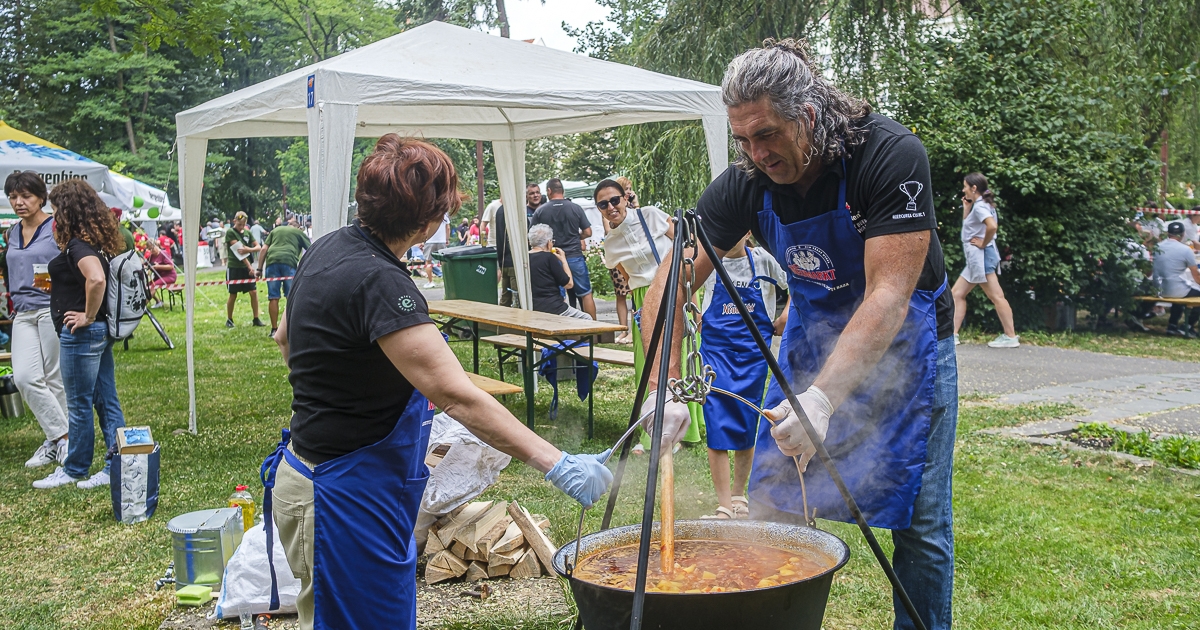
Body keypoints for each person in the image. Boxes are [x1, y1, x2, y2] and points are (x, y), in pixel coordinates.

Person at [639, 40, 957, 630]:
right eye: (744, 141)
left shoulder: (888, 156)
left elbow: (888, 295)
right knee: (774, 500)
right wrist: (661, 388)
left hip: (906, 346)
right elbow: (671, 280)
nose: (757, 154)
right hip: (812, 337)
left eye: (768, 135)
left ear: (807, 115)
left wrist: (821, 399)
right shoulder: (744, 185)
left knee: (922, 519)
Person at [262, 135, 612, 630]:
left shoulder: (328, 247)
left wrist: (335, 388)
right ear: (428, 222)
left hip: (319, 474)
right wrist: (556, 463)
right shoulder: (380, 281)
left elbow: (284, 338)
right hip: (343, 496)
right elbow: (454, 394)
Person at [33, 179, 128, 490]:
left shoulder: (78, 245)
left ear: (68, 210)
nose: (54, 216)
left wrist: (87, 315)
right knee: (106, 400)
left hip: (83, 334)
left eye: (57, 209)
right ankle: (118, 462)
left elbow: (96, 279)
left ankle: (74, 468)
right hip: (99, 332)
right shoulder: (96, 241)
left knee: (79, 403)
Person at [595, 178, 700, 452]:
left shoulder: (651, 215)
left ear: (625, 198)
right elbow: (628, 278)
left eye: (614, 200)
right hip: (644, 297)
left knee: (682, 357)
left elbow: (688, 249)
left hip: (673, 288)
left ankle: (688, 430)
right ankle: (652, 433)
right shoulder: (610, 243)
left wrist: (693, 296)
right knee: (647, 367)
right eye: (603, 204)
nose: (610, 207)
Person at [698, 234, 788, 519]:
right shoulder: (707, 260)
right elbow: (681, 283)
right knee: (717, 422)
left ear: (747, 232)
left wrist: (786, 315)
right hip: (716, 353)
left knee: (747, 421)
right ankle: (724, 503)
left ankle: (739, 496)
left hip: (753, 354)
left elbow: (798, 282)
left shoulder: (764, 260)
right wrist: (695, 313)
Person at [4, 171, 70, 469]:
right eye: (13, 196)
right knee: (25, 377)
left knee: (54, 378)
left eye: (26, 196)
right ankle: (61, 437)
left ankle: (61, 443)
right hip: (22, 311)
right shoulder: (11, 232)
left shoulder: (57, 227)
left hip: (52, 308)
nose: (19, 202)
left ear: (41, 198)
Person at [950, 173, 1018, 348]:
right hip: (976, 259)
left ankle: (1010, 336)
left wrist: (983, 243)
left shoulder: (980, 207)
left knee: (996, 296)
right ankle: (952, 335)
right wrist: (966, 209)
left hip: (982, 257)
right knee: (957, 294)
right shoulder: (982, 205)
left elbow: (992, 226)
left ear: (974, 188)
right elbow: (972, 227)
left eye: (965, 186)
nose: (963, 189)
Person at [532, 179, 596, 319]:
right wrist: (576, 236)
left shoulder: (541, 210)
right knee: (585, 293)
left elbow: (533, 235)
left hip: (553, 257)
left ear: (549, 191)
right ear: (562, 190)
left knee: (559, 296)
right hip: (575, 255)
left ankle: (562, 332)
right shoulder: (575, 208)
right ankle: (596, 332)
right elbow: (588, 232)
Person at [257, 216, 311, 337]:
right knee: (291, 296)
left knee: (273, 297)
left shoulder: (276, 230)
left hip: (271, 262)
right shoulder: (298, 232)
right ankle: (292, 328)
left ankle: (274, 329)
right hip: (289, 262)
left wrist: (259, 269)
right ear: (298, 227)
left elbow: (264, 249)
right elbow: (311, 249)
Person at [527, 224, 591, 319]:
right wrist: (563, 260)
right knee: (586, 318)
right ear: (549, 243)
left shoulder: (524, 258)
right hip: (554, 308)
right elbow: (568, 284)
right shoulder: (549, 257)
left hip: (530, 307)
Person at [1152, 221, 1200, 337]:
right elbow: (1196, 275)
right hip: (1174, 289)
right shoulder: (1185, 250)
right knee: (1187, 291)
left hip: (1157, 289)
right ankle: (1188, 325)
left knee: (1181, 289)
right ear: (1183, 234)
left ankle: (1172, 325)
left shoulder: (1157, 247)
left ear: (1168, 233)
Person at [494, 188, 540, 308]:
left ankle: (501, 324)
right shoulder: (513, 211)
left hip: (504, 260)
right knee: (517, 297)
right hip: (514, 260)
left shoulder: (500, 210)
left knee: (505, 297)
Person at [224, 211, 264, 328]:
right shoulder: (230, 232)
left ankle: (256, 318)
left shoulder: (247, 233)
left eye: (243, 224)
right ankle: (229, 319)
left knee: (253, 292)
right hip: (235, 267)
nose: (241, 226)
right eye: (239, 224)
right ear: (234, 221)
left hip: (248, 268)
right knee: (233, 294)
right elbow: (239, 251)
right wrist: (250, 266)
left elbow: (258, 247)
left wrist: (248, 250)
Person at [421, 212, 450, 288]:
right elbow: (448, 228)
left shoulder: (428, 212)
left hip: (429, 240)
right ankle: (446, 281)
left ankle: (430, 282)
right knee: (444, 261)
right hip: (441, 240)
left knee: (428, 261)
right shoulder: (444, 214)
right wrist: (447, 239)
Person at [144, 239, 177, 308]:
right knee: (145, 287)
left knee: (154, 285)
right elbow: (146, 264)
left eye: (152, 248)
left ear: (156, 245)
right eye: (149, 249)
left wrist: (158, 267)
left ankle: (143, 307)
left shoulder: (163, 253)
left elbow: (171, 266)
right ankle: (158, 301)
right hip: (158, 277)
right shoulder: (152, 256)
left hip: (169, 276)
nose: (151, 251)